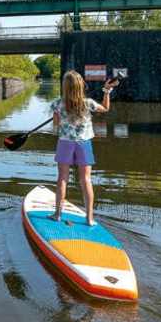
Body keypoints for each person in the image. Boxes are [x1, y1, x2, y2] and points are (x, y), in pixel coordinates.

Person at [49, 70, 117, 226]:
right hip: (84, 144)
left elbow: (56, 125)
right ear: (81, 86)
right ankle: (89, 219)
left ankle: (57, 214)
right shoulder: (89, 103)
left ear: (64, 87)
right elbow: (105, 108)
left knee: (62, 179)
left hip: (65, 143)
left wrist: (59, 116)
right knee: (86, 180)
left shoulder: (57, 104)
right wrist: (107, 91)